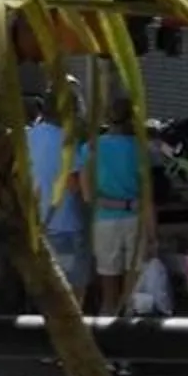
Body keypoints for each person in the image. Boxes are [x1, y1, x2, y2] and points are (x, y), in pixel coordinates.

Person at [79, 100, 147, 315]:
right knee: (132, 274)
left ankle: (108, 314)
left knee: (108, 276)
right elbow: (148, 191)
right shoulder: (140, 148)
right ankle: (127, 312)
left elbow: (87, 192)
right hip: (135, 217)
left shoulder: (91, 148)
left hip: (105, 218)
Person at [22, 98, 87, 293]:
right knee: (72, 286)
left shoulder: (25, 137)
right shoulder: (66, 141)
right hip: (64, 224)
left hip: (34, 226)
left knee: (45, 287)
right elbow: (74, 186)